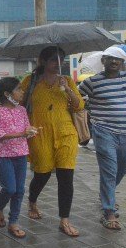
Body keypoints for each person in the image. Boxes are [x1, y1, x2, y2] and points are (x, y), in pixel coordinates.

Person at [78, 47, 126, 230]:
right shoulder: (91, 82)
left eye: (117, 59)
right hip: (103, 132)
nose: (113, 62)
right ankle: (109, 211)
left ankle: (106, 193)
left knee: (123, 166)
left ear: (122, 63)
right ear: (103, 61)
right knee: (109, 170)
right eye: (110, 59)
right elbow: (75, 99)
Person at [20, 46, 84, 237]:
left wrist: (68, 90)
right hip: (39, 134)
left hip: (66, 133)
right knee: (42, 174)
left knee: (66, 177)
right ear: (43, 61)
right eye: (53, 60)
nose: (58, 64)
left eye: (61, 60)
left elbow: (79, 105)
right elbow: (17, 103)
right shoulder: (30, 81)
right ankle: (32, 200)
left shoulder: (67, 81)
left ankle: (64, 220)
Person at [0, 77, 39, 239]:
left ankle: (14, 222)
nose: (22, 92)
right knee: (10, 188)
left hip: (21, 153)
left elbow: (26, 128)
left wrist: (30, 131)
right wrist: (22, 133)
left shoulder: (21, 110)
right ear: (8, 94)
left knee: (20, 190)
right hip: (3, 155)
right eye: (19, 89)